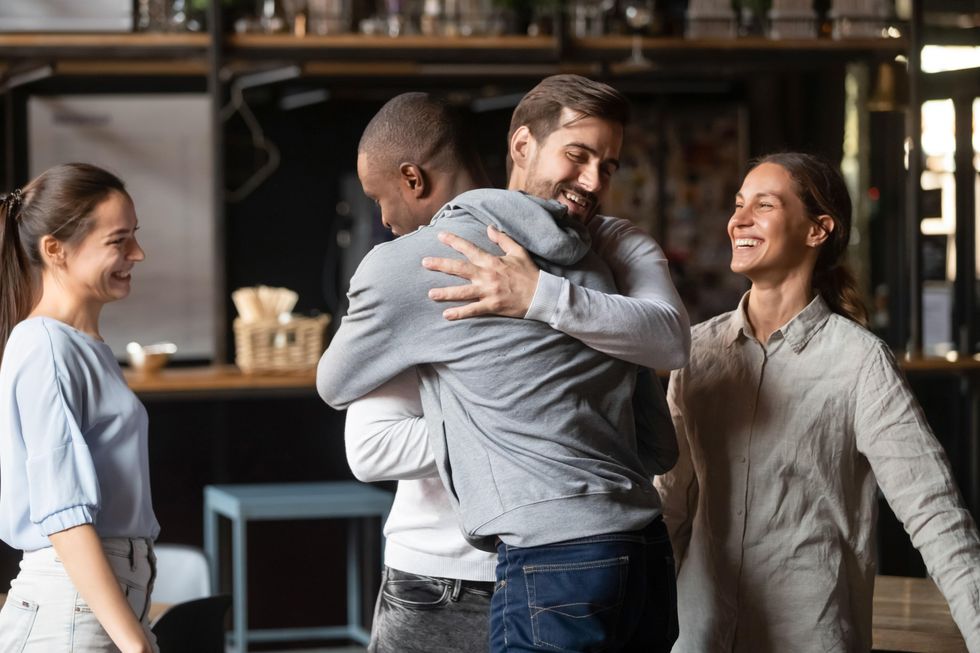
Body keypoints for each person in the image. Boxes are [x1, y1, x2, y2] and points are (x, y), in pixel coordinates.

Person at [321, 75, 687, 652]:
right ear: (521, 147)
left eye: (607, 165)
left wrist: (535, 300)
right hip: (638, 546)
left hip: (544, 556)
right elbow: (657, 444)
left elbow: (333, 384)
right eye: (578, 154)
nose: (592, 180)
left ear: (411, 179)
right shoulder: (596, 261)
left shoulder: (410, 267)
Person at [655, 152, 980, 652]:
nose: (738, 219)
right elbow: (668, 508)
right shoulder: (696, 352)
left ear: (817, 230)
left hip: (810, 637)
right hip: (699, 637)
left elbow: (933, 512)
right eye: (739, 204)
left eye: (764, 205)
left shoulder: (860, 362)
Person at [0, 163, 159, 653]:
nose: (137, 253)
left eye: (134, 236)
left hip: (90, 605)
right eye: (118, 241)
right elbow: (65, 516)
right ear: (55, 250)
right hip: (73, 610)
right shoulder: (45, 346)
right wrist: (135, 643)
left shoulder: (80, 344)